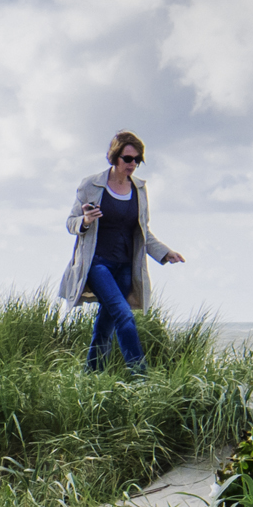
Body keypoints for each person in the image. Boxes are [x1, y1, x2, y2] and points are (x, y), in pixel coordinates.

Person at [60, 130, 185, 375]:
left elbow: (143, 231)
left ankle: (91, 375)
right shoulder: (91, 185)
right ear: (115, 157)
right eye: (128, 159)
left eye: (137, 160)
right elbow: (70, 223)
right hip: (97, 264)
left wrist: (165, 252)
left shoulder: (139, 189)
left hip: (125, 265)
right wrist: (85, 220)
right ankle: (140, 376)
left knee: (105, 325)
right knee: (124, 315)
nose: (133, 165)